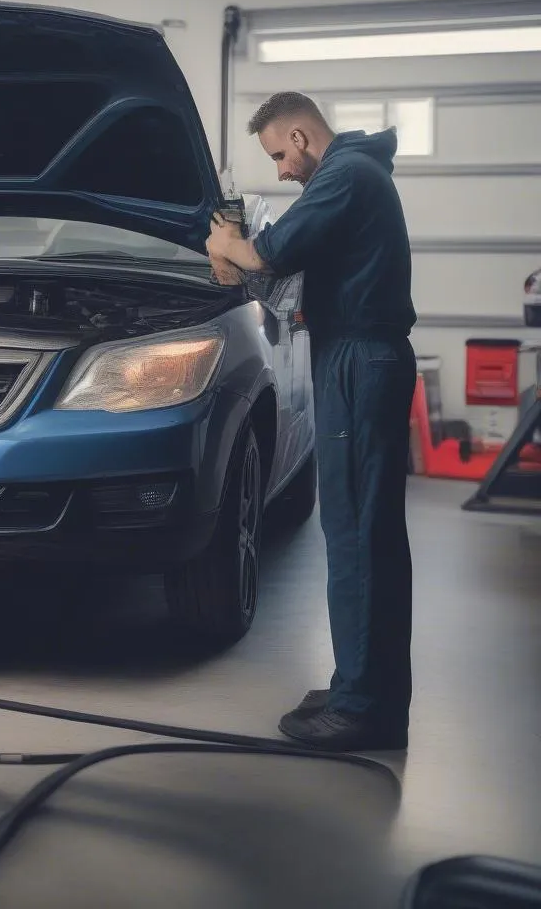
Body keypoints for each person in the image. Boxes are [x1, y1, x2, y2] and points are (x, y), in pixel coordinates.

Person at [206, 92, 417, 752]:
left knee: (357, 533)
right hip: (353, 353)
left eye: (278, 154)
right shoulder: (356, 174)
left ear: (300, 135)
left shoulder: (345, 175)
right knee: (363, 529)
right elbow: (286, 280)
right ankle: (366, 685)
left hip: (359, 359)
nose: (282, 169)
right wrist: (239, 258)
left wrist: (224, 240)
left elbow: (268, 255)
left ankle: (363, 709)